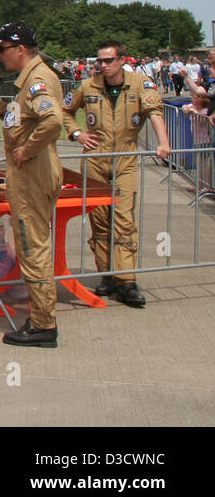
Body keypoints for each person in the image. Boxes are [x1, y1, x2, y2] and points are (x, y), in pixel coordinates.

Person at [61, 40, 170, 307]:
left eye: (108, 60)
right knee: (99, 219)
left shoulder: (140, 84)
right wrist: (77, 133)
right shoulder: (88, 86)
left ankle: (126, 280)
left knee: (123, 219)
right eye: (100, 61)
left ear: (122, 60)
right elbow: (65, 111)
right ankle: (106, 274)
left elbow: (154, 111)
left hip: (125, 160)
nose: (103, 65)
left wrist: (163, 141)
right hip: (95, 160)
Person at [0, 21, 65, 348]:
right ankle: (41, 317)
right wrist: (1, 108)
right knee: (32, 246)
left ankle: (43, 324)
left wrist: (27, 150)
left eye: (2, 49)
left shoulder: (38, 80)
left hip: (33, 174)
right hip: (32, 173)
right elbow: (25, 119)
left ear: (20, 49)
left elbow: (52, 120)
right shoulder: (29, 83)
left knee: (33, 248)